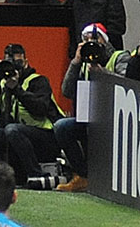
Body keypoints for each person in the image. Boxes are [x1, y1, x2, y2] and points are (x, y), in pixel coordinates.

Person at [52, 23, 132, 192]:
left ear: (105, 41)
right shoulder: (83, 63)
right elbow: (66, 91)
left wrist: (102, 73)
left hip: (116, 117)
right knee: (62, 127)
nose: (91, 43)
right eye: (86, 40)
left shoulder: (119, 57)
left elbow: (128, 86)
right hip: (90, 117)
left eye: (95, 39)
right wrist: (75, 62)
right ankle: (83, 175)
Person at [0, 43, 64, 186]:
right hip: (16, 137)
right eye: (10, 64)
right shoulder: (1, 85)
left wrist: (17, 89)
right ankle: (0, 176)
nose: (14, 68)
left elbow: (40, 109)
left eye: (18, 63)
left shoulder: (38, 81)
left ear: (26, 62)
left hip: (45, 137)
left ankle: (36, 174)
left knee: (12, 129)